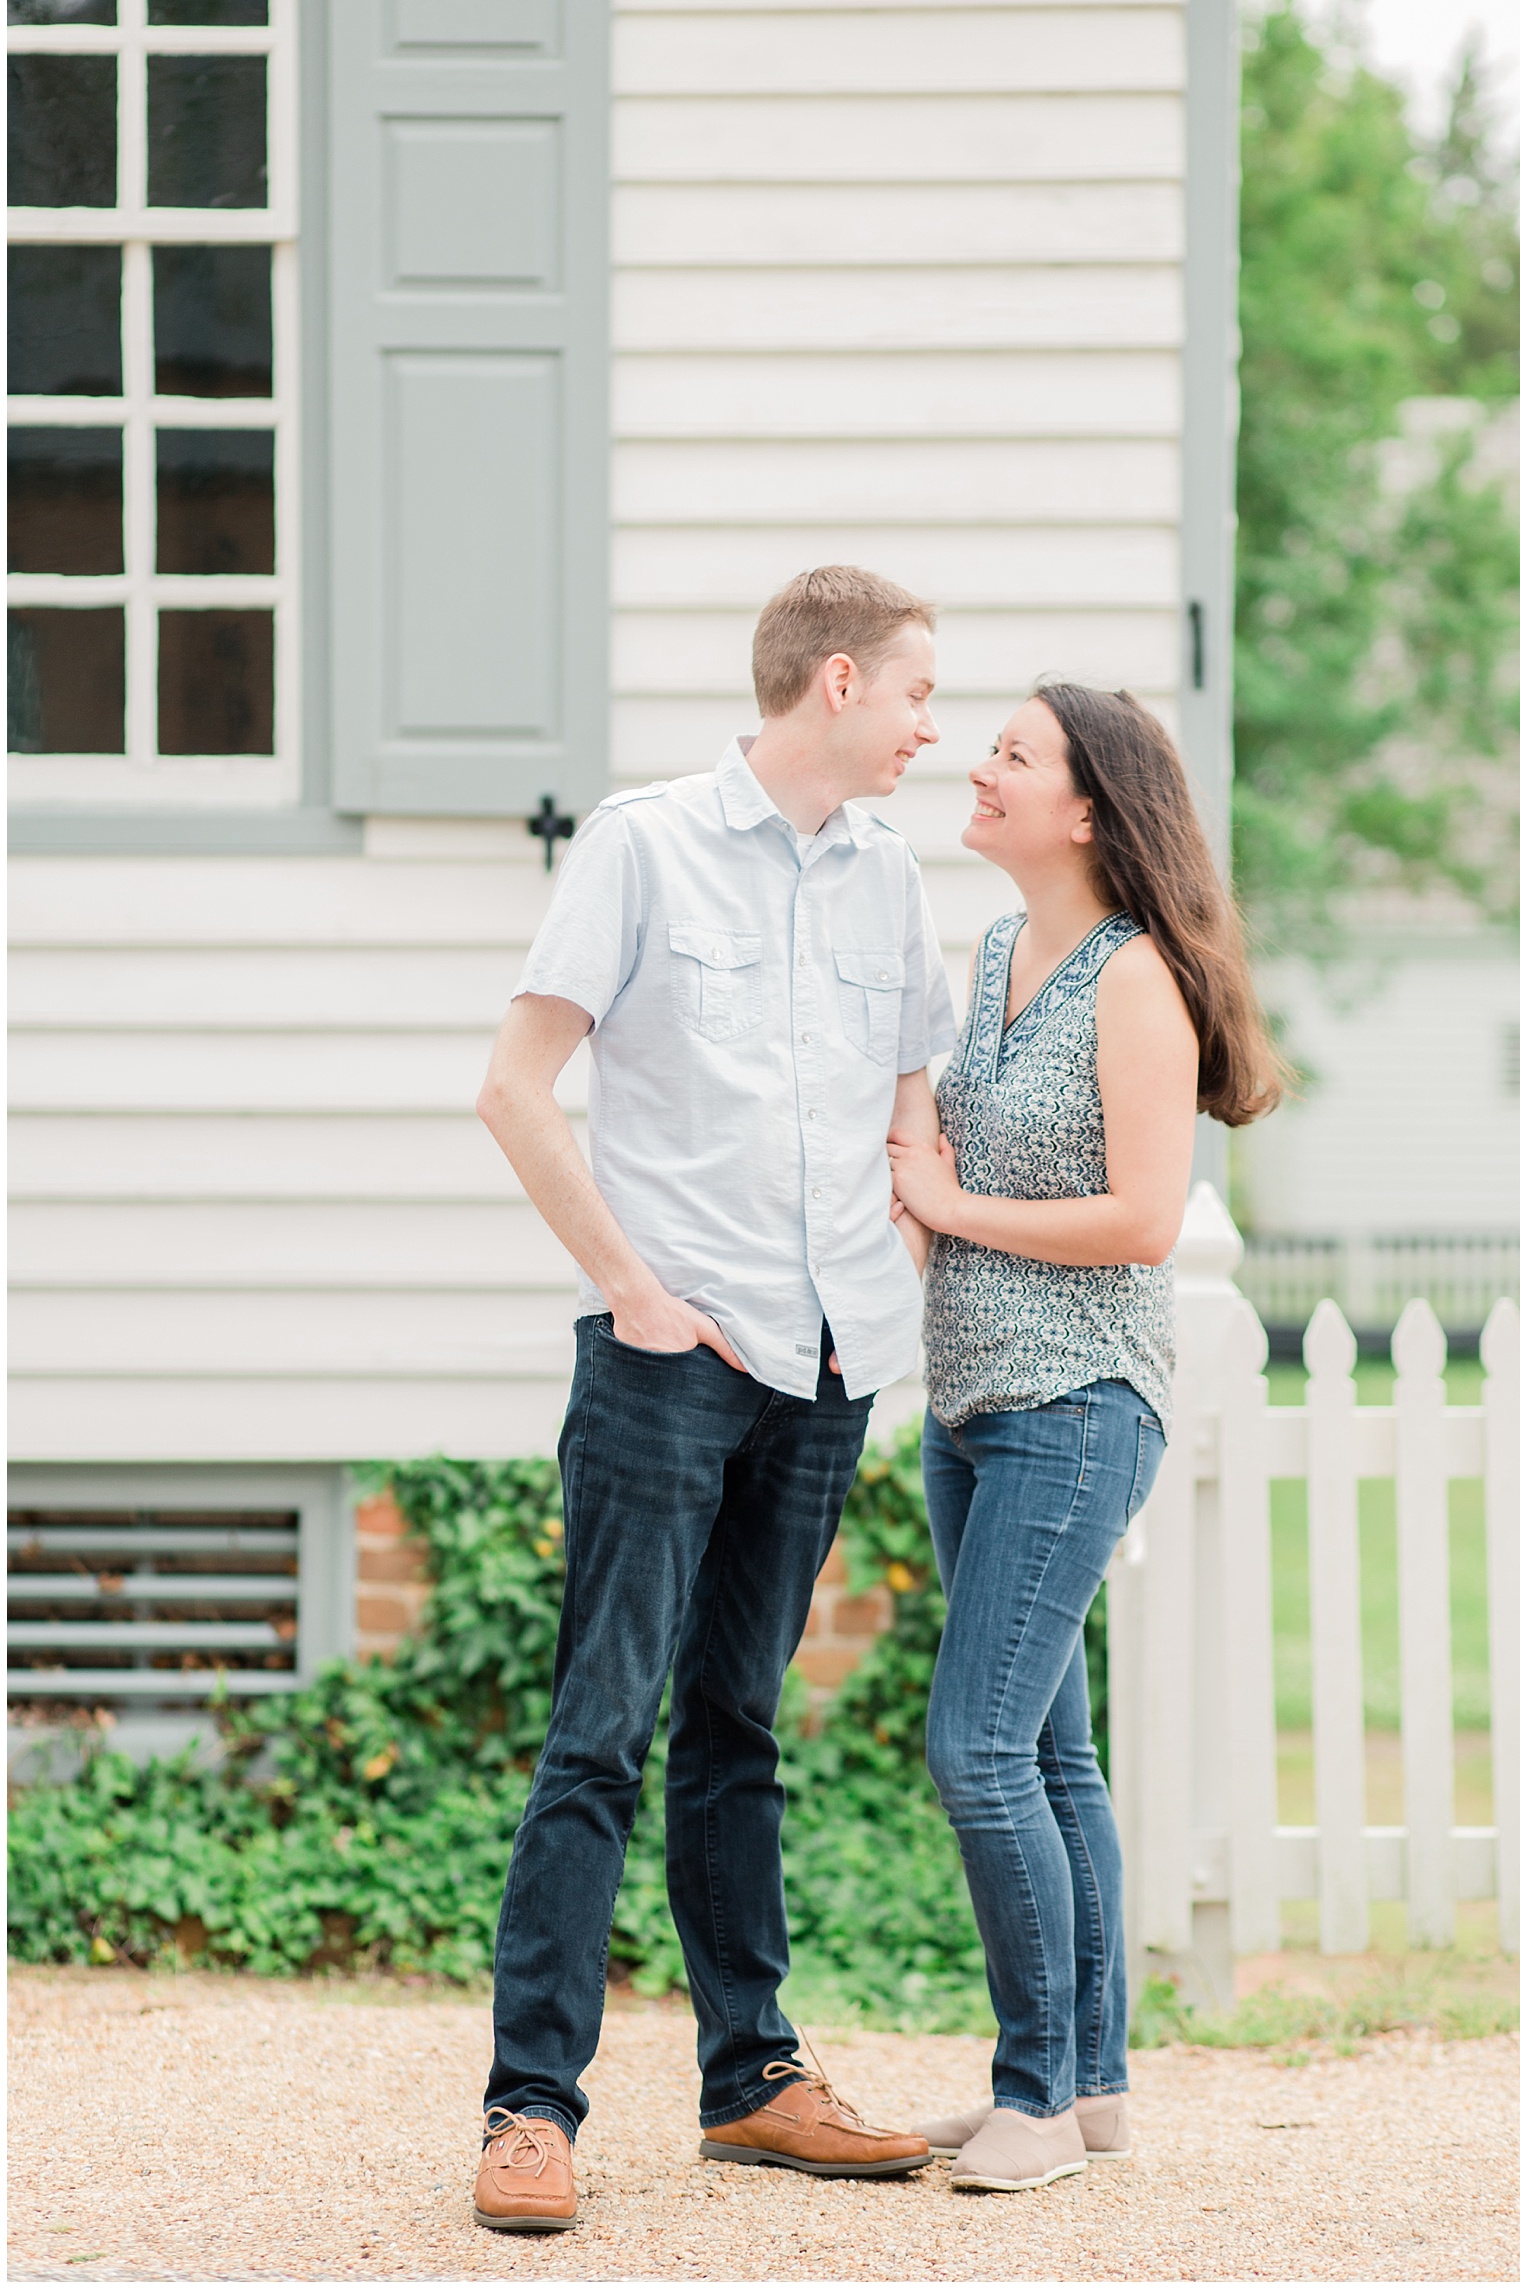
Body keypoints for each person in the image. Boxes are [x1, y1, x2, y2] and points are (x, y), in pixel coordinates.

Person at [469, 566, 956, 2231]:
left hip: (827, 1365)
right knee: (601, 1730)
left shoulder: (891, 876)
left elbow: (909, 1109)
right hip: (674, 1362)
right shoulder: (643, 843)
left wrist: (899, 1251)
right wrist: (634, 1288)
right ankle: (529, 2109)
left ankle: (753, 2082)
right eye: (912, 694)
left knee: (738, 1726)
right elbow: (514, 1088)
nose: (928, 726)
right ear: (835, 683)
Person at [887, 681, 1282, 2194]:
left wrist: (948, 1201)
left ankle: (1035, 2093)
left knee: (977, 1748)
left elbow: (1139, 1220)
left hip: (1075, 1406)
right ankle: (1094, 2085)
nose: (978, 768)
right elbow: (955, 1199)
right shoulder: (993, 952)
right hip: (973, 1399)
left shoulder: (1131, 981)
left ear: (1089, 810)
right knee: (1054, 1757)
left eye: (1013, 754)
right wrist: (922, 1187)